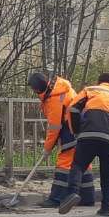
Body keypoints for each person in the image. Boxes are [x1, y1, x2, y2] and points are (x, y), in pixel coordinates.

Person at [60, 72, 109, 217]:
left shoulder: (90, 90)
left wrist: (77, 131)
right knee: (106, 172)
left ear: (99, 82)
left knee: (78, 165)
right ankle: (106, 207)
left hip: (89, 133)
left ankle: (72, 193)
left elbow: (72, 109)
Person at [27, 72, 94, 209]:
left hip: (70, 131)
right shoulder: (62, 88)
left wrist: (47, 149)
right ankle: (87, 197)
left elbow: (54, 128)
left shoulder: (54, 99)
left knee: (64, 163)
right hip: (80, 128)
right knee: (83, 162)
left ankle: (57, 198)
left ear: (38, 88)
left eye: (33, 89)